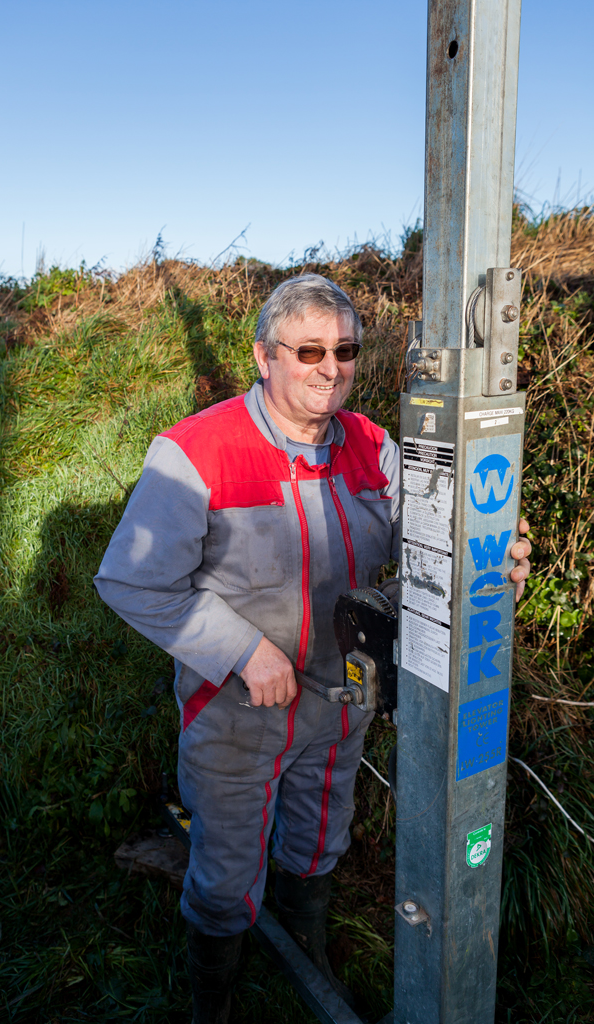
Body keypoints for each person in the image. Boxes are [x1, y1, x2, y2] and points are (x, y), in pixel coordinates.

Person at [94, 274, 532, 1023]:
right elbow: (131, 581)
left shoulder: (373, 446)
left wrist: (486, 563)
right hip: (235, 715)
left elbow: (426, 546)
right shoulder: (194, 451)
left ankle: (306, 950)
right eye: (308, 351)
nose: (331, 368)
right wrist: (242, 650)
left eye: (345, 350)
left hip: (340, 706)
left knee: (317, 841)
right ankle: (212, 1002)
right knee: (226, 872)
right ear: (264, 356)